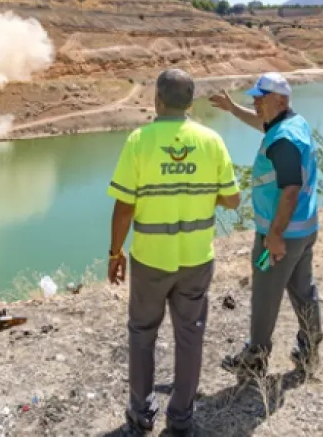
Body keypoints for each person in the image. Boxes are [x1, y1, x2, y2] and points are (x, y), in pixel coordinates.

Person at [107, 68, 241, 436]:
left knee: (142, 333)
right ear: (191, 103)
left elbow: (124, 207)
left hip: (151, 259)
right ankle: (181, 419)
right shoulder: (211, 141)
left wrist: (115, 253)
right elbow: (232, 200)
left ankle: (140, 415)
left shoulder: (139, 140)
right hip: (196, 259)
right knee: (190, 336)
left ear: (157, 100)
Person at [208, 71, 323, 377]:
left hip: (280, 236)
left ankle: (255, 358)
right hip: (303, 230)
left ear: (280, 99)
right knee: (303, 291)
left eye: (261, 98)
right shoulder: (292, 124)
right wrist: (234, 110)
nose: (256, 103)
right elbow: (263, 125)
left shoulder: (283, 139)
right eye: (255, 98)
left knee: (264, 293)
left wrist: (273, 236)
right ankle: (310, 349)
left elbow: (290, 190)